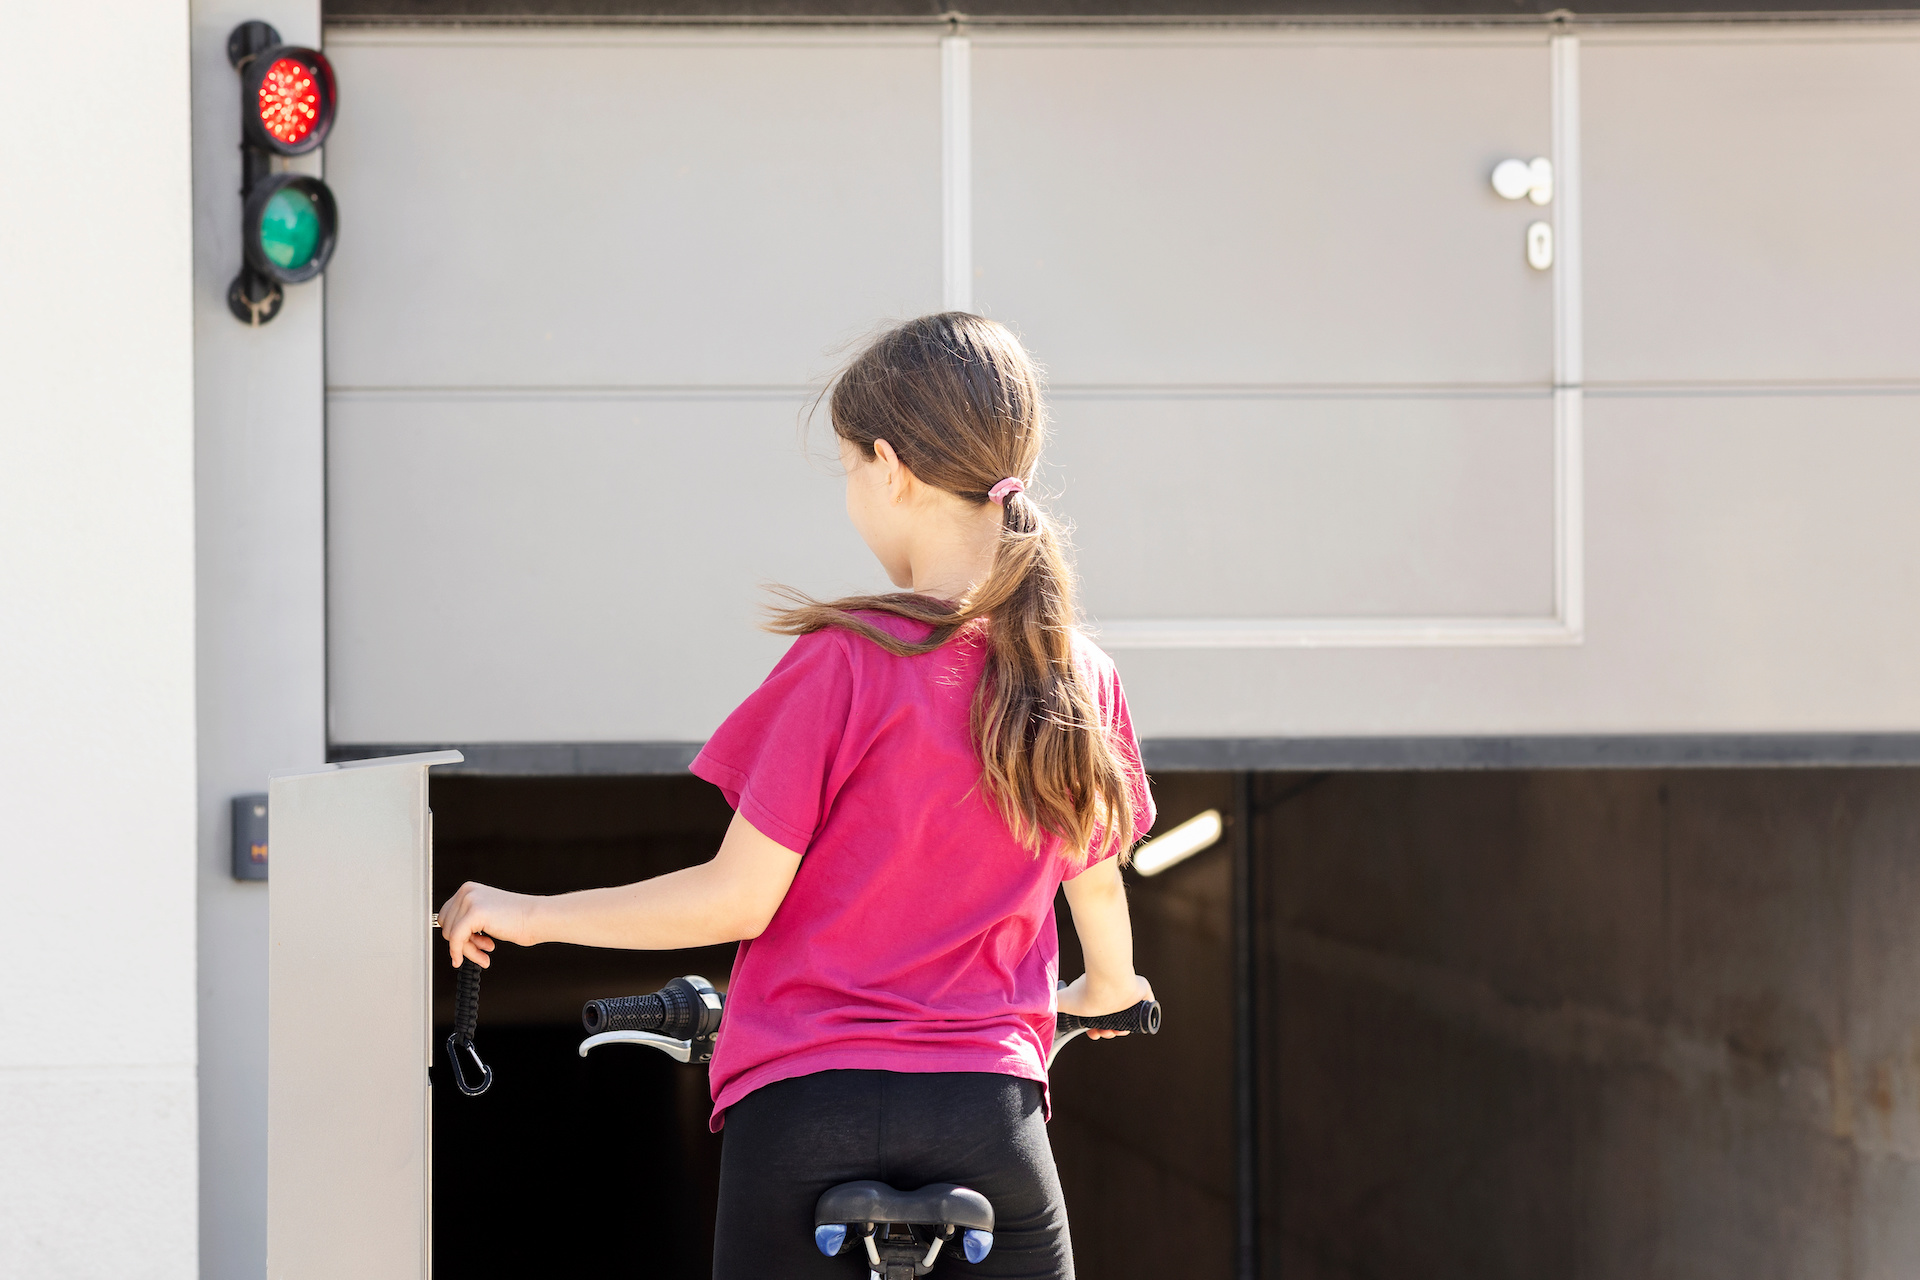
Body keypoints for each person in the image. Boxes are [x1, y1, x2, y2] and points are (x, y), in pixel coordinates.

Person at [436, 312, 1156, 1279]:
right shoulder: (1076, 675)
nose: (855, 494)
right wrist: (1102, 993)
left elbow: (737, 896)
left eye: (852, 468)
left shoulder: (844, 662)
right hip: (987, 1118)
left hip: (804, 1113)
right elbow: (1099, 903)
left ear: (890, 468)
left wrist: (529, 914)